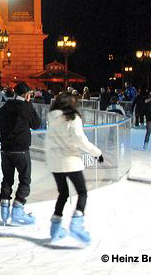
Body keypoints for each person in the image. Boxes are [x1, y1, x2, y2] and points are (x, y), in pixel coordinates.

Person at [45, 92, 103, 245]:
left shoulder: (52, 116)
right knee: (82, 192)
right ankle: (76, 224)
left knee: (63, 193)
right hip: (69, 160)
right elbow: (80, 140)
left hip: (55, 161)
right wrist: (97, 153)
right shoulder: (73, 118)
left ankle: (55, 228)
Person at [0, 82, 41, 226]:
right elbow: (36, 124)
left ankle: (4, 211)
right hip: (21, 149)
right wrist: (29, 107)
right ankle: (18, 209)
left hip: (6, 150)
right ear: (26, 94)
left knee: (7, 179)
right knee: (25, 180)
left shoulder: (5, 107)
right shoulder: (26, 107)